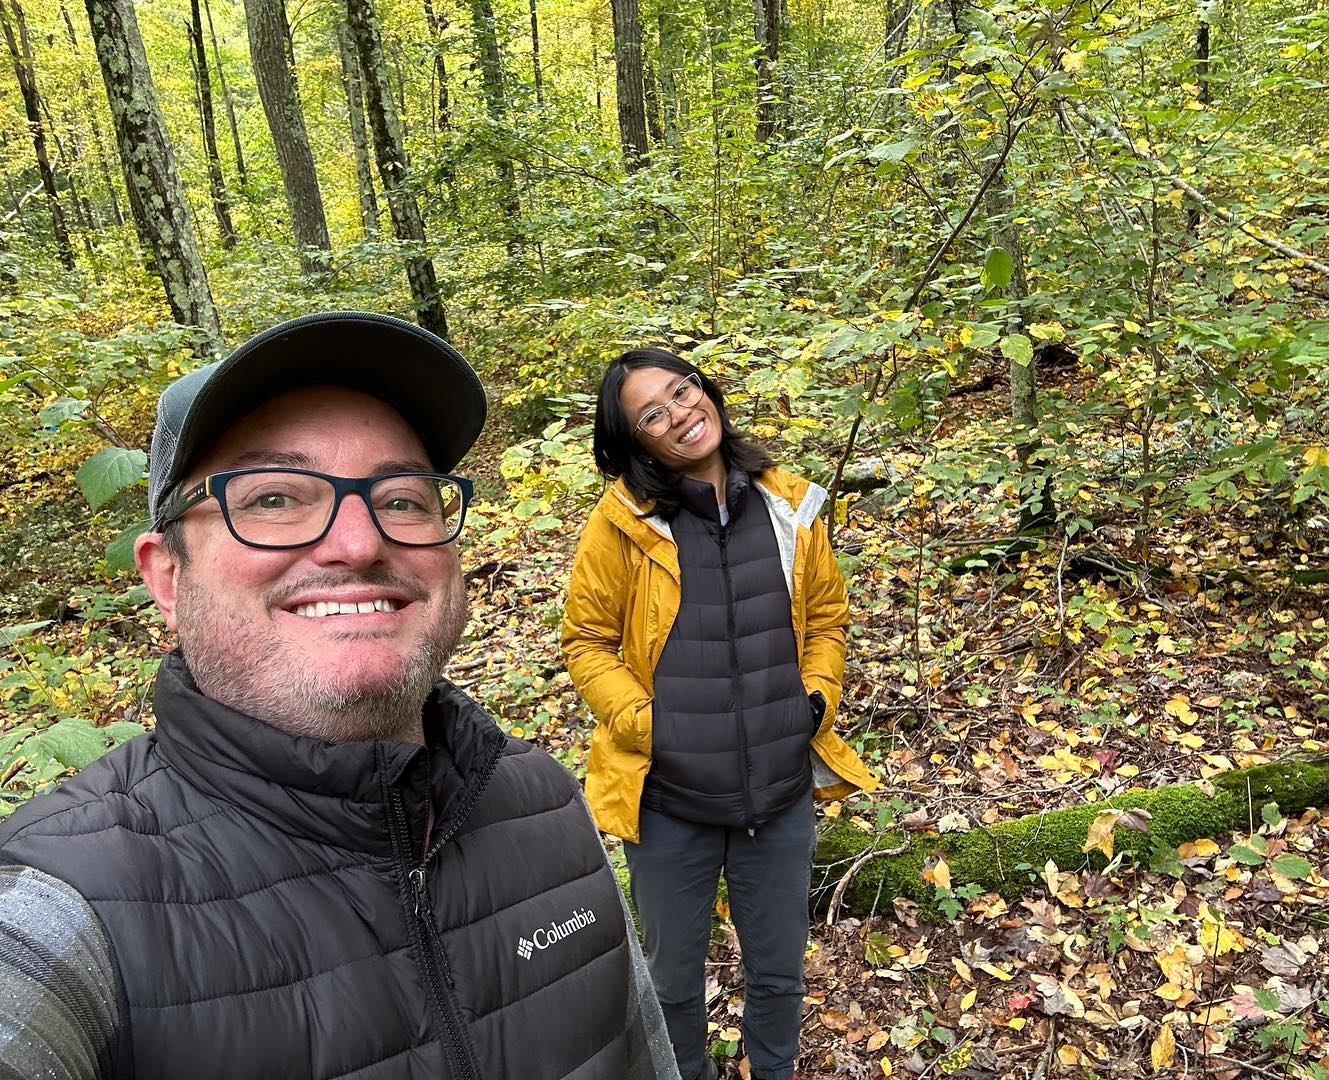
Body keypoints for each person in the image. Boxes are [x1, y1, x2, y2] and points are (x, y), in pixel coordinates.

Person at [0, 312, 679, 1080]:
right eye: (273, 499)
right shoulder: (65, 912)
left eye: (402, 498)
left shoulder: (548, 808)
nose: (359, 543)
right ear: (166, 577)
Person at [561, 348, 877, 1080]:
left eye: (683, 390)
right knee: (672, 987)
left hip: (779, 791)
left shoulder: (789, 503)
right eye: (653, 413)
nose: (679, 414)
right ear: (635, 440)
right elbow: (587, 640)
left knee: (778, 975)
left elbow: (827, 617)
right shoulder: (620, 527)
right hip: (671, 801)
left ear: (707, 390)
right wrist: (651, 724)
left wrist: (817, 700)